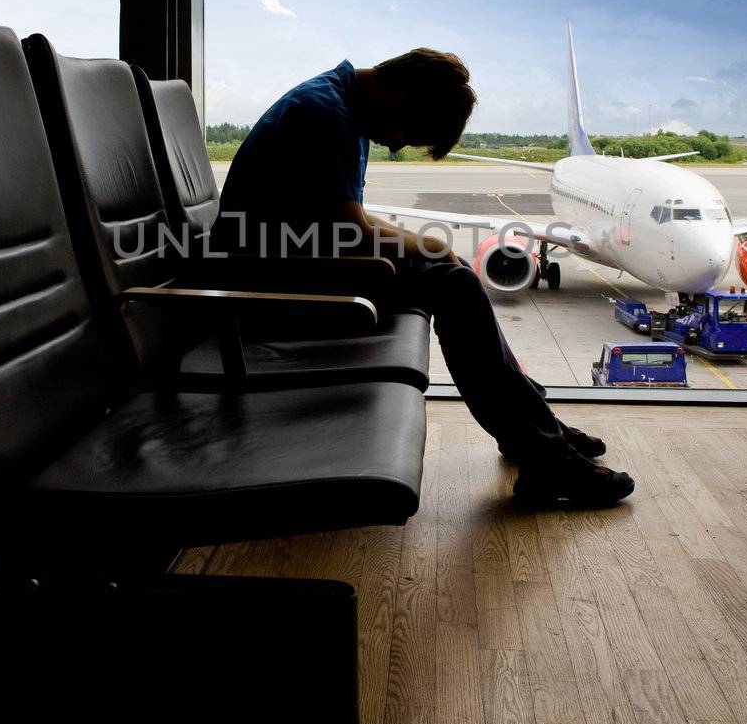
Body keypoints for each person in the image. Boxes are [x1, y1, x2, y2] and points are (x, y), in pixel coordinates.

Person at [219, 50, 635, 507]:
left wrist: (435, 253)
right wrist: (435, 247)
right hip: (271, 288)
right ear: (400, 94)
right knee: (455, 283)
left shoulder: (339, 106)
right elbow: (352, 228)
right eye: (407, 130)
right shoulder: (321, 114)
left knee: (455, 279)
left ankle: (536, 435)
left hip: (299, 264)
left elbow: (338, 223)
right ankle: (542, 449)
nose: (397, 144)